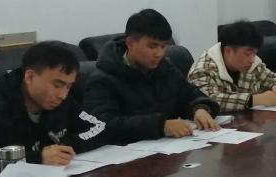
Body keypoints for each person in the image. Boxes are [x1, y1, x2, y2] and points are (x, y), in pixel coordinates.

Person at [0, 41, 107, 177]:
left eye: (69, 86)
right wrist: (37, 158)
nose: (63, 95)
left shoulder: (61, 102)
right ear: (29, 77)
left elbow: (99, 127)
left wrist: (65, 147)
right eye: (57, 85)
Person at [85, 9, 219, 143]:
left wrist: (199, 108)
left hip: (171, 148)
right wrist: (160, 125)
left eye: (163, 46)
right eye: (152, 46)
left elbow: (189, 94)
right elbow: (102, 125)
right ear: (130, 43)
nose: (159, 54)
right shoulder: (103, 79)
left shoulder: (165, 68)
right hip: (129, 152)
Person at [187, 20, 276, 112]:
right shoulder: (202, 69)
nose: (252, 59)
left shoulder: (253, 65)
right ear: (228, 51)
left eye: (255, 53)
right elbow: (206, 101)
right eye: (248, 53)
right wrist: (256, 99)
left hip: (249, 124)